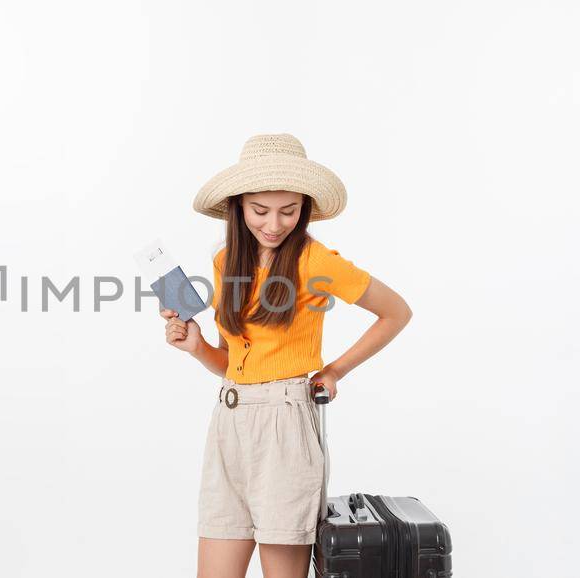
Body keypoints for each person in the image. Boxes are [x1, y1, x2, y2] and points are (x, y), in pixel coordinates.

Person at [162, 133, 413, 578]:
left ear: (304, 209)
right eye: (260, 210)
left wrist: (335, 370)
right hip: (229, 421)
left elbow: (395, 312)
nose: (274, 224)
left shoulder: (316, 261)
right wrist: (197, 347)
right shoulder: (226, 264)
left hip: (286, 425)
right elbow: (234, 363)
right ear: (239, 206)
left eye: (289, 210)